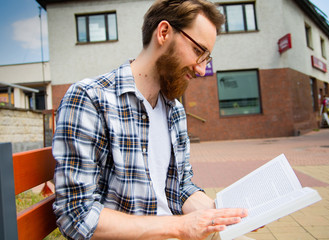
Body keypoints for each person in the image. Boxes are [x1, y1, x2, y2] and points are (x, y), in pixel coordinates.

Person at [52, 0, 248, 239]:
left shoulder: (174, 111)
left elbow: (181, 187)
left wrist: (224, 215)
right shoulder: (91, 99)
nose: (201, 69)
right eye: (198, 52)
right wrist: (180, 227)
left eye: (206, 57)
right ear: (164, 32)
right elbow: (77, 216)